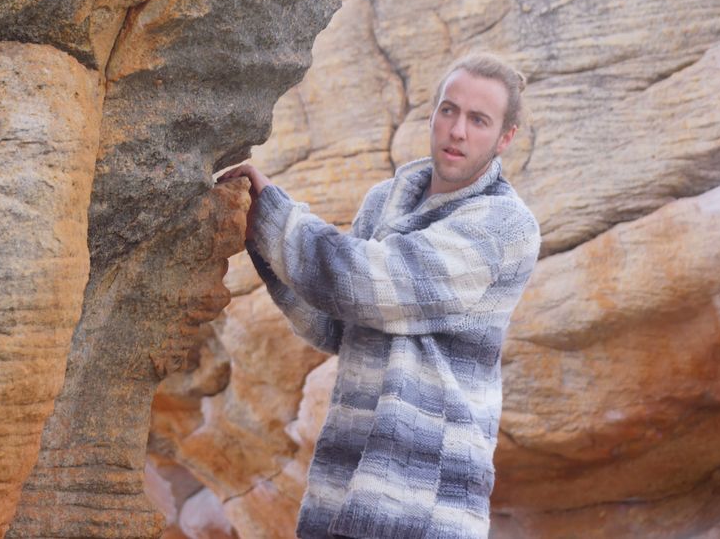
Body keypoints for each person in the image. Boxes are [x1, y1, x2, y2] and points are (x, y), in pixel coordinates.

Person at [218, 53, 541, 539]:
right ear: (432, 114)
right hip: (346, 484)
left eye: (479, 120)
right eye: (449, 110)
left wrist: (275, 217)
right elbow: (335, 324)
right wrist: (261, 235)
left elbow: (370, 284)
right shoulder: (383, 202)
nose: (457, 131)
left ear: (505, 137)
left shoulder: (504, 225)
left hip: (427, 503)